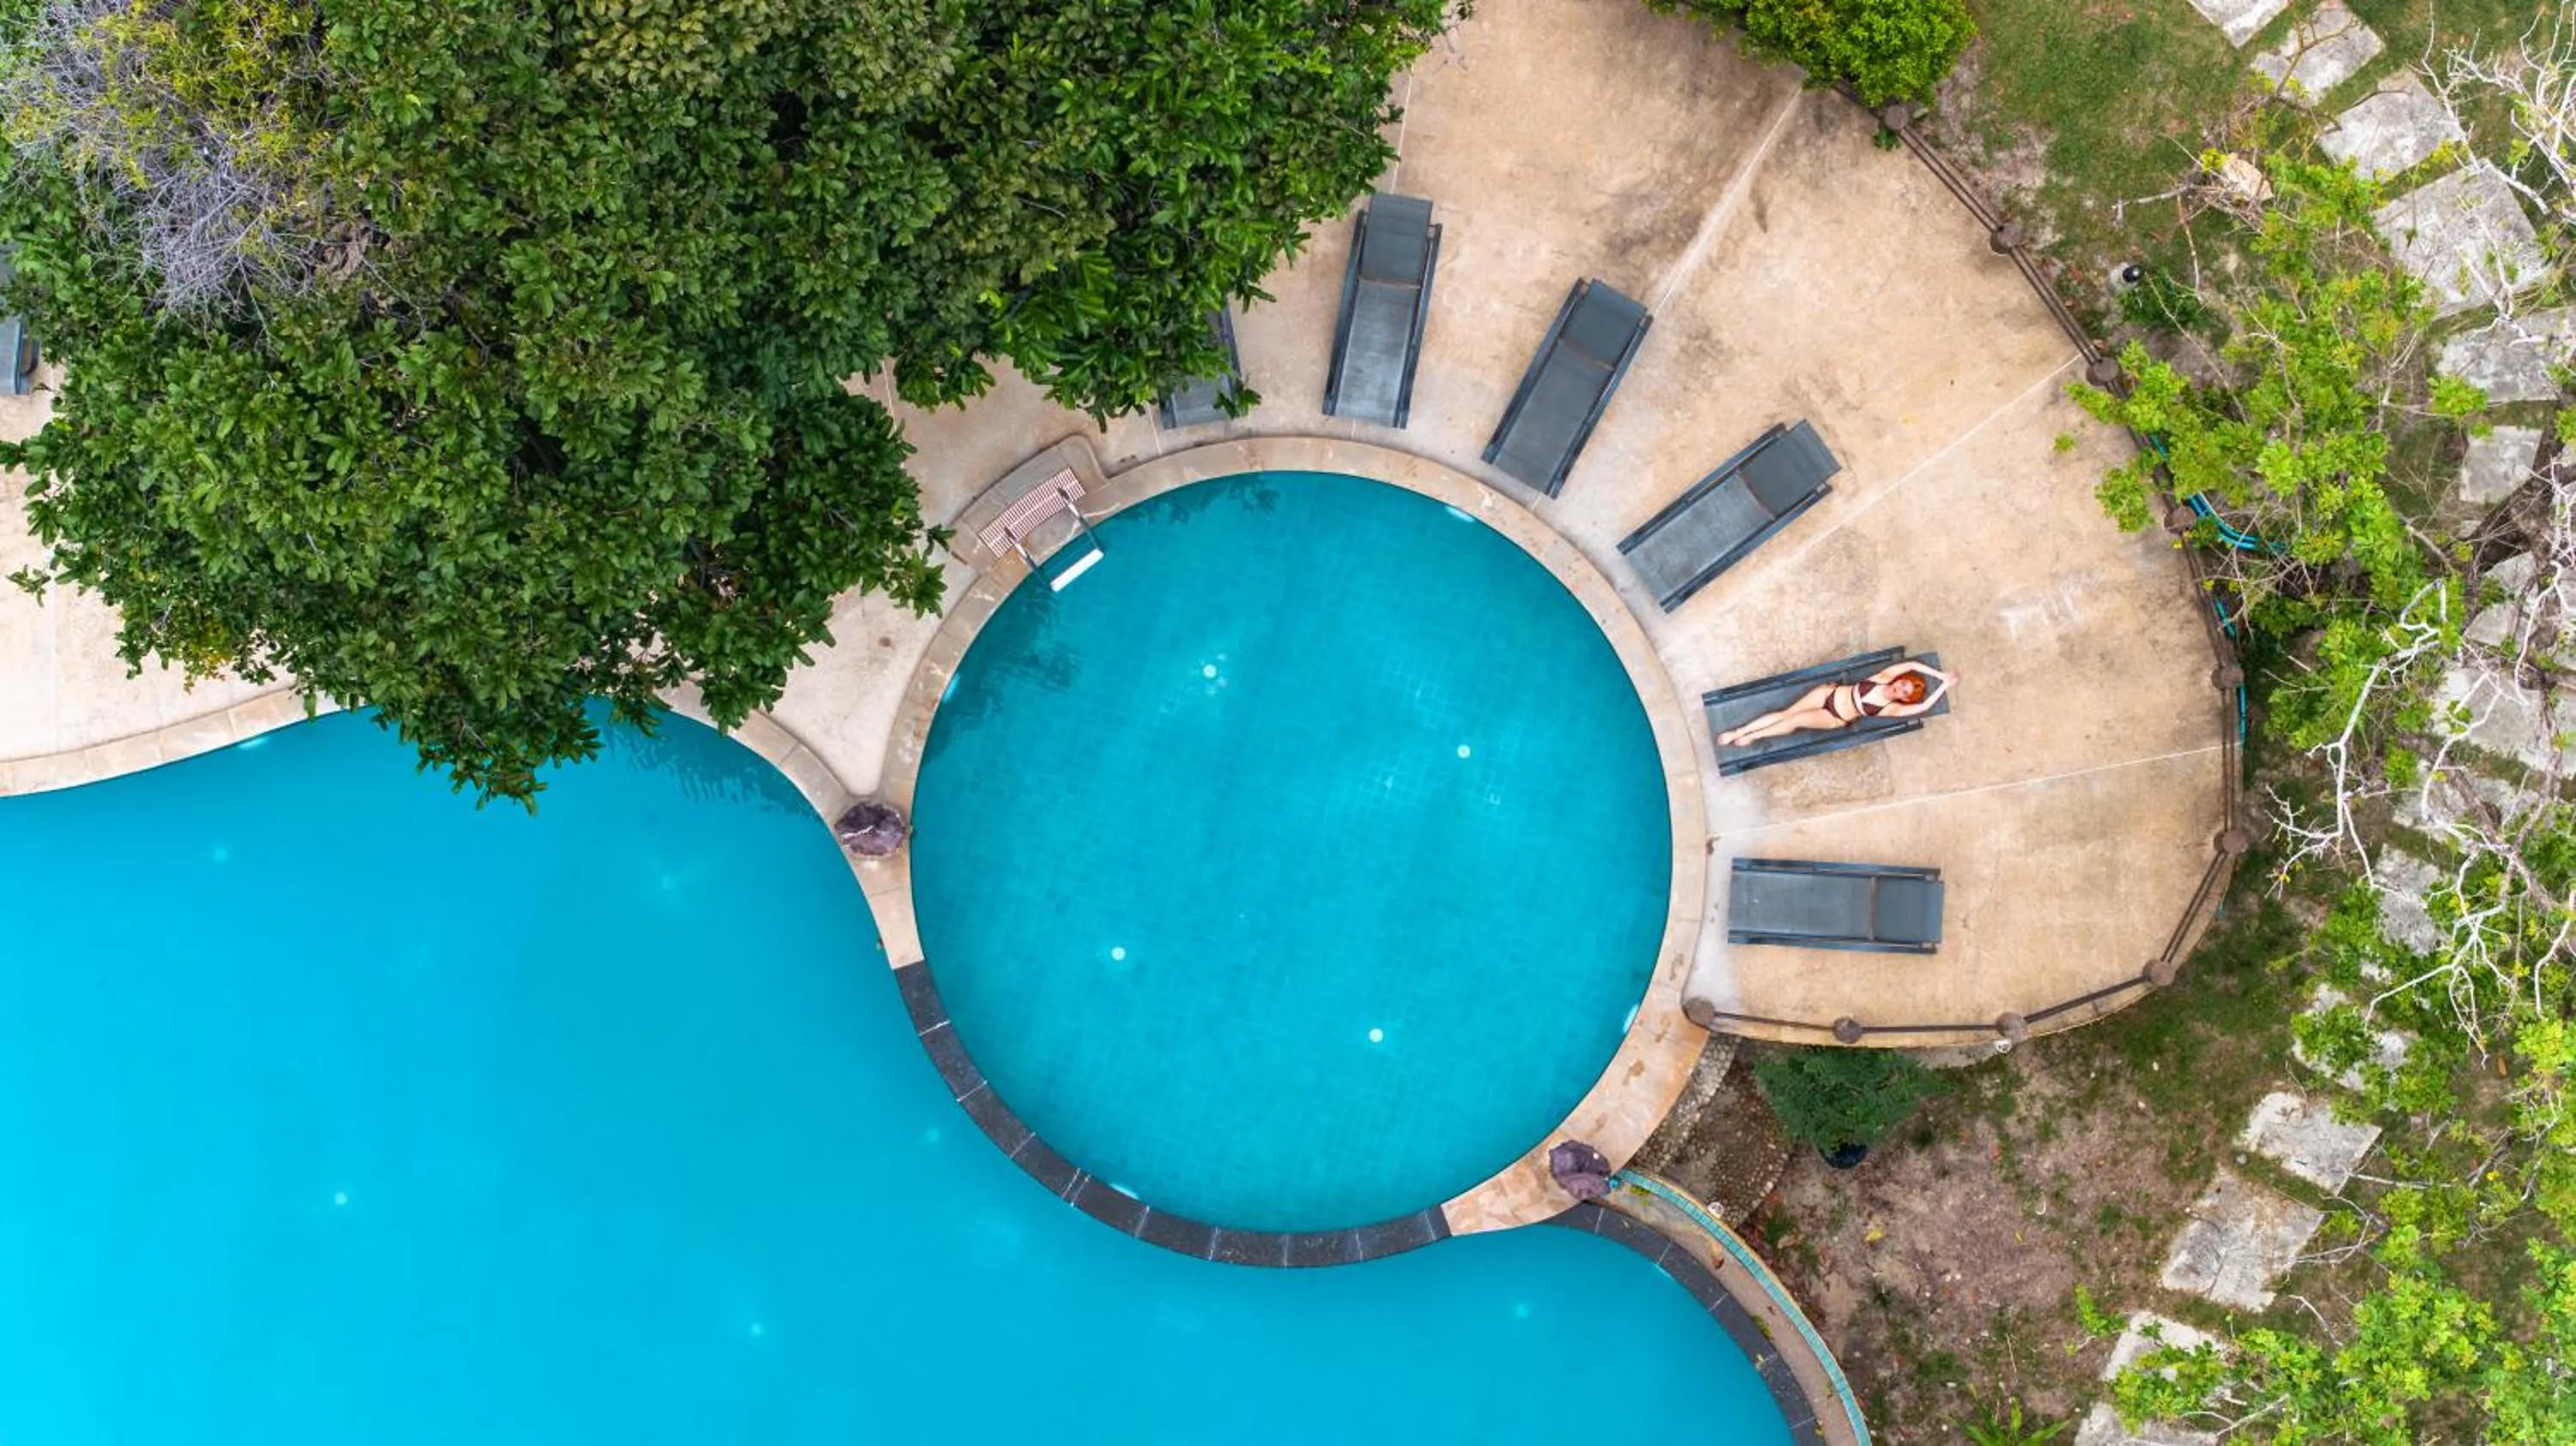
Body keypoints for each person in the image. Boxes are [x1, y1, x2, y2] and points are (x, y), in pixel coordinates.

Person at [1716, 659, 1956, 750]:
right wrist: (1940, 674)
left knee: (1795, 721)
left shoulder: (1892, 708)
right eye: (1905, 684)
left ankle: (1753, 737)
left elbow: (1923, 708)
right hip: (1828, 694)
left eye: (1905, 692)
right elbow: (1911, 664)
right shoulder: (1884, 677)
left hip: (1834, 717)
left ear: (1904, 699)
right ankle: (1739, 731)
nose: (1901, 688)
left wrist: (1944, 687)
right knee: (1786, 713)